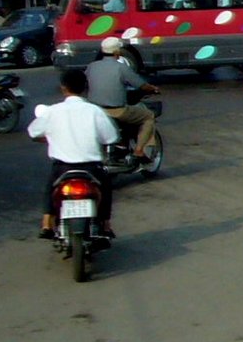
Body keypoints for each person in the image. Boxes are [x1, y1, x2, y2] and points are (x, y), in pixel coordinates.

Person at [28, 68, 120, 240]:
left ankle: (47, 223)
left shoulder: (53, 111)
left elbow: (33, 132)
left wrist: (50, 136)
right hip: (91, 168)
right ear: (85, 87)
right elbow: (111, 137)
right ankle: (106, 225)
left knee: (51, 187)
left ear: (63, 88)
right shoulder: (94, 111)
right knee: (105, 187)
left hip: (63, 168)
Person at [86, 37, 158, 156]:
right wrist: (154, 89)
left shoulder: (91, 66)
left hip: (96, 111)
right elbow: (141, 85)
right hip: (117, 111)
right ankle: (139, 150)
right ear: (116, 52)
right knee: (148, 116)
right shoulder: (121, 67)